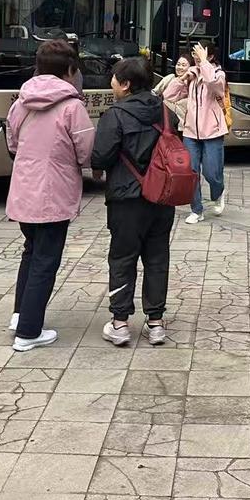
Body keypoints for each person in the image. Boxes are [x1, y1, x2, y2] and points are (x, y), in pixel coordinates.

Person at [4, 40, 95, 352]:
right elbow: (86, 152)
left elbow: (13, 143)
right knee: (45, 259)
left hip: (24, 190)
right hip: (55, 193)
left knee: (31, 252)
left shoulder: (20, 102)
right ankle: (29, 332)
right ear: (70, 71)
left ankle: (20, 315)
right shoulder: (73, 107)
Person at [90, 56, 175, 347]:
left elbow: (100, 156)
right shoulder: (165, 112)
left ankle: (120, 323)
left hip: (126, 199)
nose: (111, 82)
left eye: (114, 78)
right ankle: (156, 323)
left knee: (123, 258)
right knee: (157, 258)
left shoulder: (114, 116)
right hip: (163, 197)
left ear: (125, 85)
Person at [161, 42, 227, 224]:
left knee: (212, 173)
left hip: (212, 131)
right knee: (191, 172)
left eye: (201, 53)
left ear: (210, 56)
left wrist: (204, 64)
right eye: (195, 53)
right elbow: (169, 96)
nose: (196, 56)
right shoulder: (192, 77)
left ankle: (218, 191)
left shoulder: (218, 74)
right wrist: (182, 79)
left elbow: (215, 86)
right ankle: (196, 210)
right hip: (190, 131)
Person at [153, 54, 191, 125]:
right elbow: (163, 95)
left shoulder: (192, 84)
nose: (180, 67)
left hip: (186, 125)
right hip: (167, 122)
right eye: (178, 64)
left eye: (183, 65)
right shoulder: (170, 78)